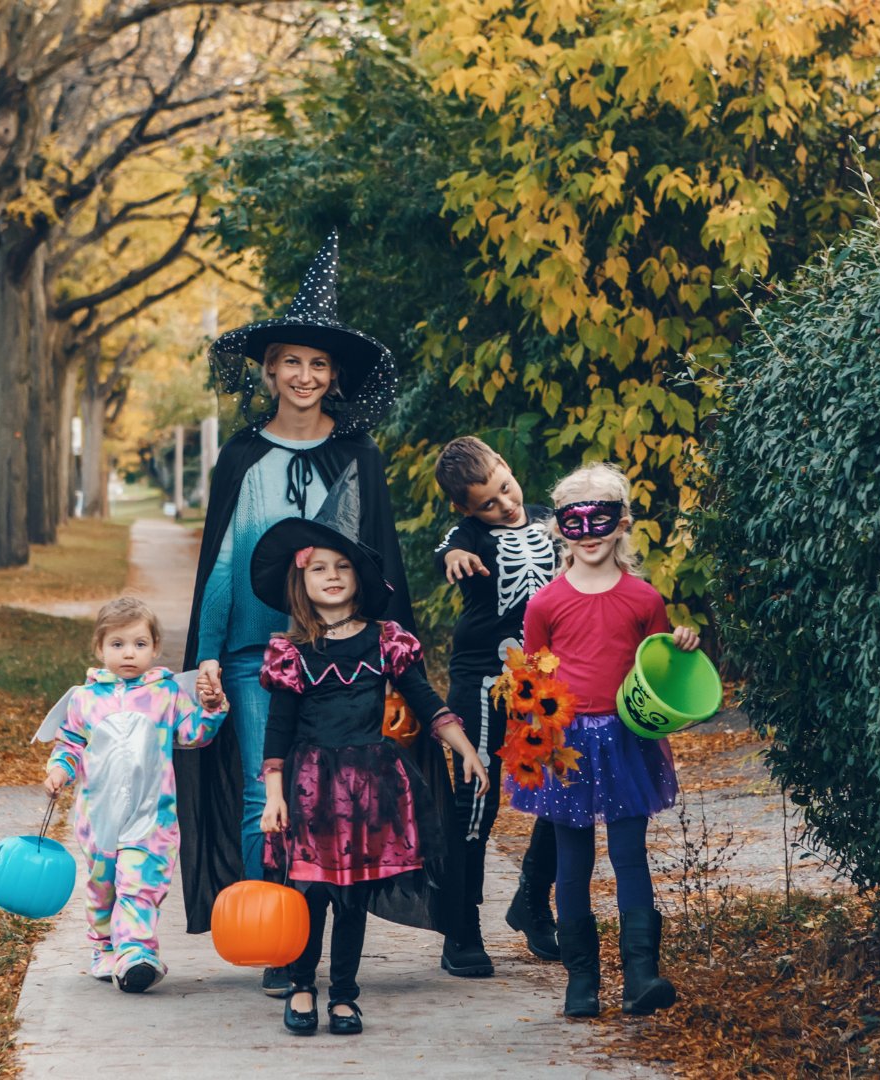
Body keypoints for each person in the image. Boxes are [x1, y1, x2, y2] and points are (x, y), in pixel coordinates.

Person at [176, 232, 421, 999]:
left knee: (337, 799)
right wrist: (208, 651)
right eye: (291, 361)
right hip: (255, 646)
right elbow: (220, 560)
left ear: (333, 375)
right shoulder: (243, 455)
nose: (305, 375)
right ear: (270, 370)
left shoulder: (360, 456)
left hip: (340, 652)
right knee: (264, 792)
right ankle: (279, 942)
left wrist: (392, 654)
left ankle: (331, 951)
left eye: (319, 364)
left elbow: (378, 560)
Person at [246, 464, 488, 1035]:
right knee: (310, 891)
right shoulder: (292, 651)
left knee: (351, 895)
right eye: (320, 568)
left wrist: (466, 748)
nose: (331, 576)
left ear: (359, 577)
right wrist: (273, 796)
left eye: (343, 567)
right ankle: (303, 984)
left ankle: (345, 994)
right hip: (308, 784)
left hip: (367, 786)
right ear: (300, 581)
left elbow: (425, 701)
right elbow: (277, 731)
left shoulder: (385, 641)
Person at [508, 462, 700, 1018]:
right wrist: (535, 744)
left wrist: (682, 641)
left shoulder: (644, 600)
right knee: (572, 863)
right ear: (560, 528)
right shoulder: (545, 603)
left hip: (625, 742)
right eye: (575, 520)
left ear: (622, 525)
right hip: (566, 744)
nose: (589, 532)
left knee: (628, 855)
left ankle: (641, 974)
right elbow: (533, 680)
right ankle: (581, 981)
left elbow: (657, 671)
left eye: (601, 519)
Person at [41, 597, 228, 993]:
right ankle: (104, 947)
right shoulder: (84, 700)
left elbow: (192, 735)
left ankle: (137, 955)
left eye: (140, 644)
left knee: (139, 885)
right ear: (99, 648)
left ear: (155, 648)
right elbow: (70, 743)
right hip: (98, 818)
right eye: (118, 644)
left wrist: (210, 709)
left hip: (151, 818)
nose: (129, 653)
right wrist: (59, 770)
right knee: (103, 886)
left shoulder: (165, 695)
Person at [432, 436, 561, 976]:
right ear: (467, 509)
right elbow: (449, 549)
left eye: (505, 488)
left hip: (548, 680)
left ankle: (532, 902)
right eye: (488, 502)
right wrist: (456, 554)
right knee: (476, 799)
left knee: (564, 794)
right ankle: (461, 926)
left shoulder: (550, 520)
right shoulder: (467, 536)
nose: (505, 505)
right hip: (483, 680)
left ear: (510, 467)